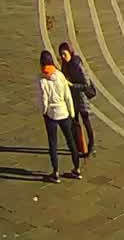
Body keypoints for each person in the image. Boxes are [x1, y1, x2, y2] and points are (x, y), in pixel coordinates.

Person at [37, 50, 82, 181]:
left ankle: (55, 172)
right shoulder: (60, 76)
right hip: (64, 113)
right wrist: (72, 113)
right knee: (71, 141)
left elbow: (44, 100)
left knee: (53, 144)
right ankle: (77, 169)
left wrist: (44, 112)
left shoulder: (42, 80)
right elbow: (68, 96)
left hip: (51, 114)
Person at [56, 42, 97, 158]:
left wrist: (72, 85)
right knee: (74, 122)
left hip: (81, 98)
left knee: (86, 122)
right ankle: (79, 145)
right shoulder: (65, 65)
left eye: (64, 54)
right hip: (72, 98)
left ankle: (91, 145)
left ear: (70, 52)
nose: (63, 57)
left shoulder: (77, 64)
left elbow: (86, 84)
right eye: (61, 55)